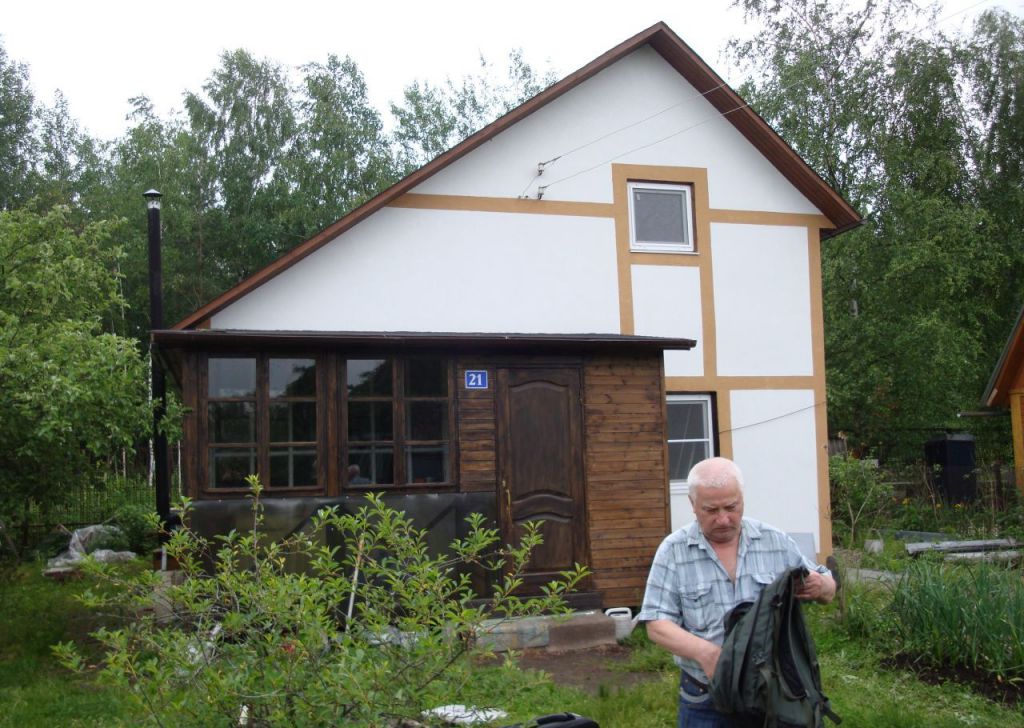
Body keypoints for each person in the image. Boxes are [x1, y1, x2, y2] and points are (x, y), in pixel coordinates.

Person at [637, 457, 836, 727]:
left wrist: (822, 585)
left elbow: (828, 588)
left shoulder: (774, 541)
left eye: (731, 507)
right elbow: (656, 624)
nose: (723, 518)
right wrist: (707, 654)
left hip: (773, 694)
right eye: (711, 509)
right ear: (693, 505)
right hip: (705, 697)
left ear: (742, 498)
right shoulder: (673, 551)